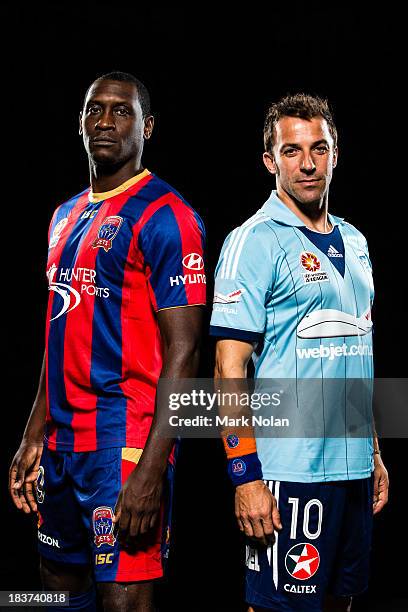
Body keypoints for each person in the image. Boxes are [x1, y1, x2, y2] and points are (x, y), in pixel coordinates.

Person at [9, 71, 206, 612]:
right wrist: (33, 435)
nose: (106, 122)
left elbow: (187, 353)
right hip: (61, 446)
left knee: (123, 603)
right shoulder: (62, 216)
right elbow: (59, 331)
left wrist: (152, 469)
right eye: (95, 110)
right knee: (52, 591)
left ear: (149, 126)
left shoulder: (169, 216)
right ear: (80, 123)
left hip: (126, 443)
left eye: (122, 112)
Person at [210, 93, 389, 612]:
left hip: (352, 470)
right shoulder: (253, 241)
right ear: (270, 160)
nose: (307, 163)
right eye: (291, 151)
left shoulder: (355, 241)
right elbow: (228, 368)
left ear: (336, 153)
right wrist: (244, 476)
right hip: (288, 472)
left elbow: (356, 352)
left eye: (319, 148)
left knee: (341, 601)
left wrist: (373, 452)